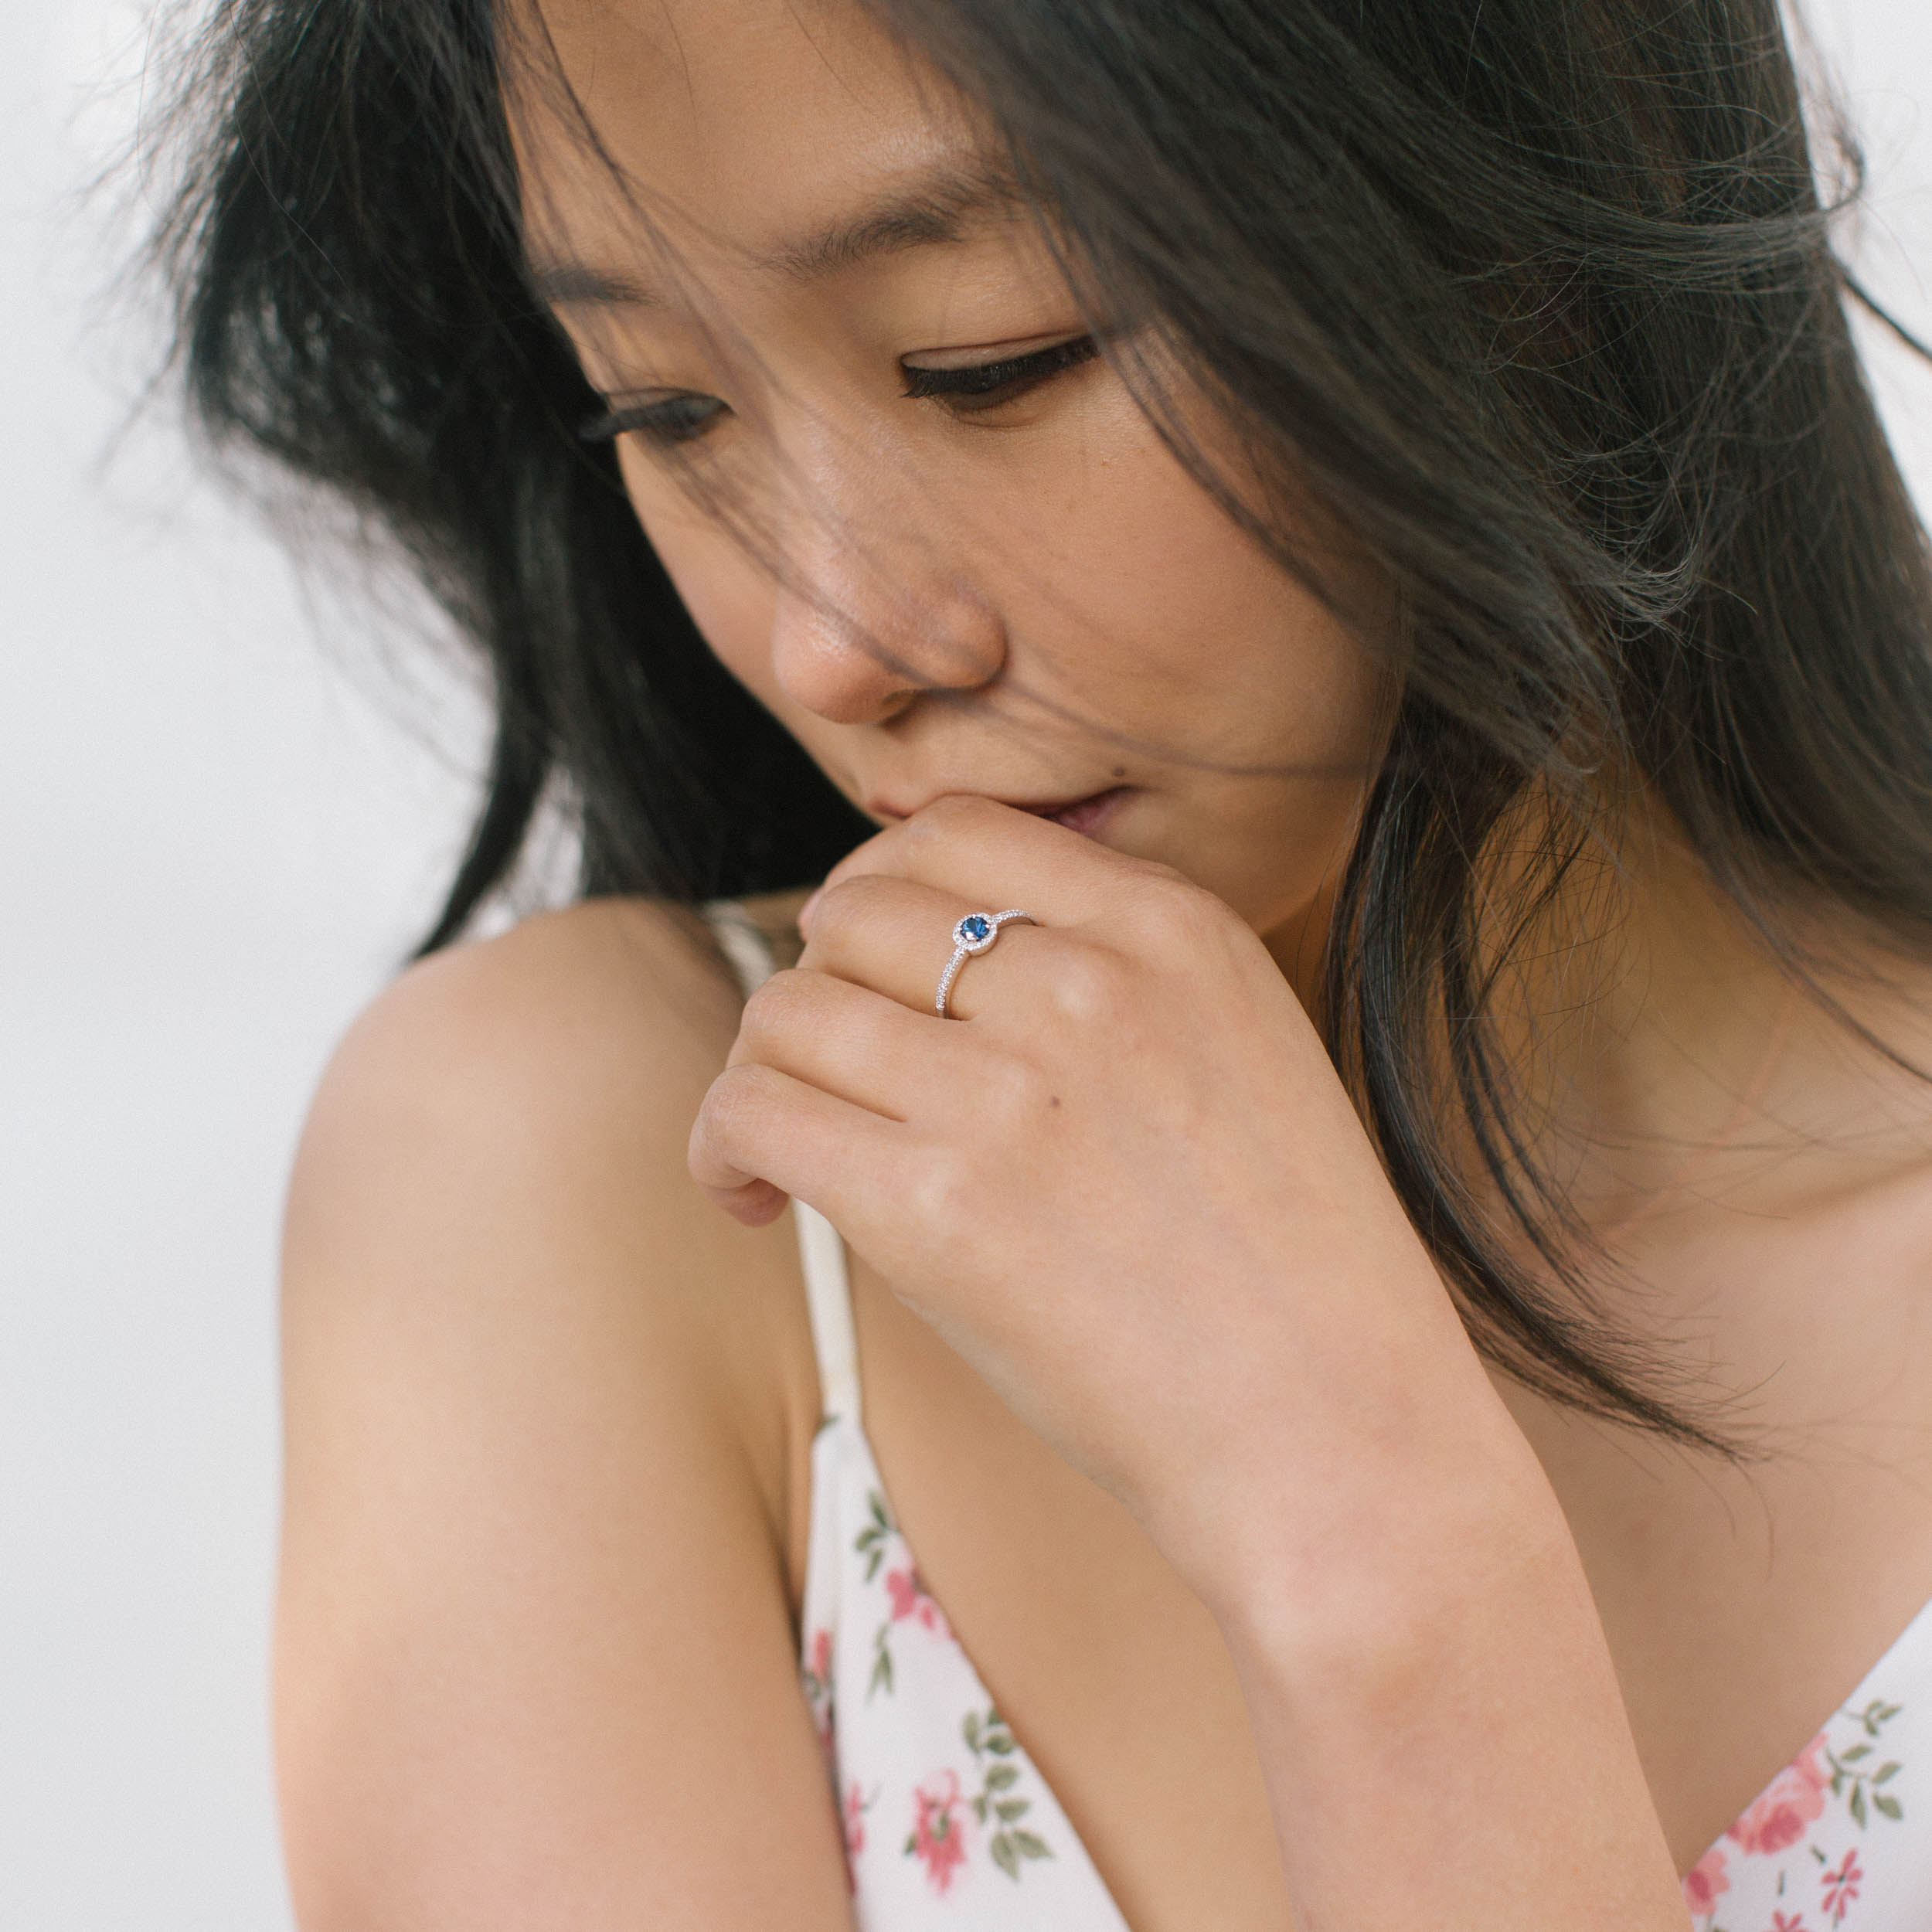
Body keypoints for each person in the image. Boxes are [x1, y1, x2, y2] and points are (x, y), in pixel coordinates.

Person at [153, 0, 1932, 1923]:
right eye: (663, 409)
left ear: (1543, 213)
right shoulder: (591, 1178)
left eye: (986, 362)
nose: (834, 637)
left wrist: (1380, 1567)